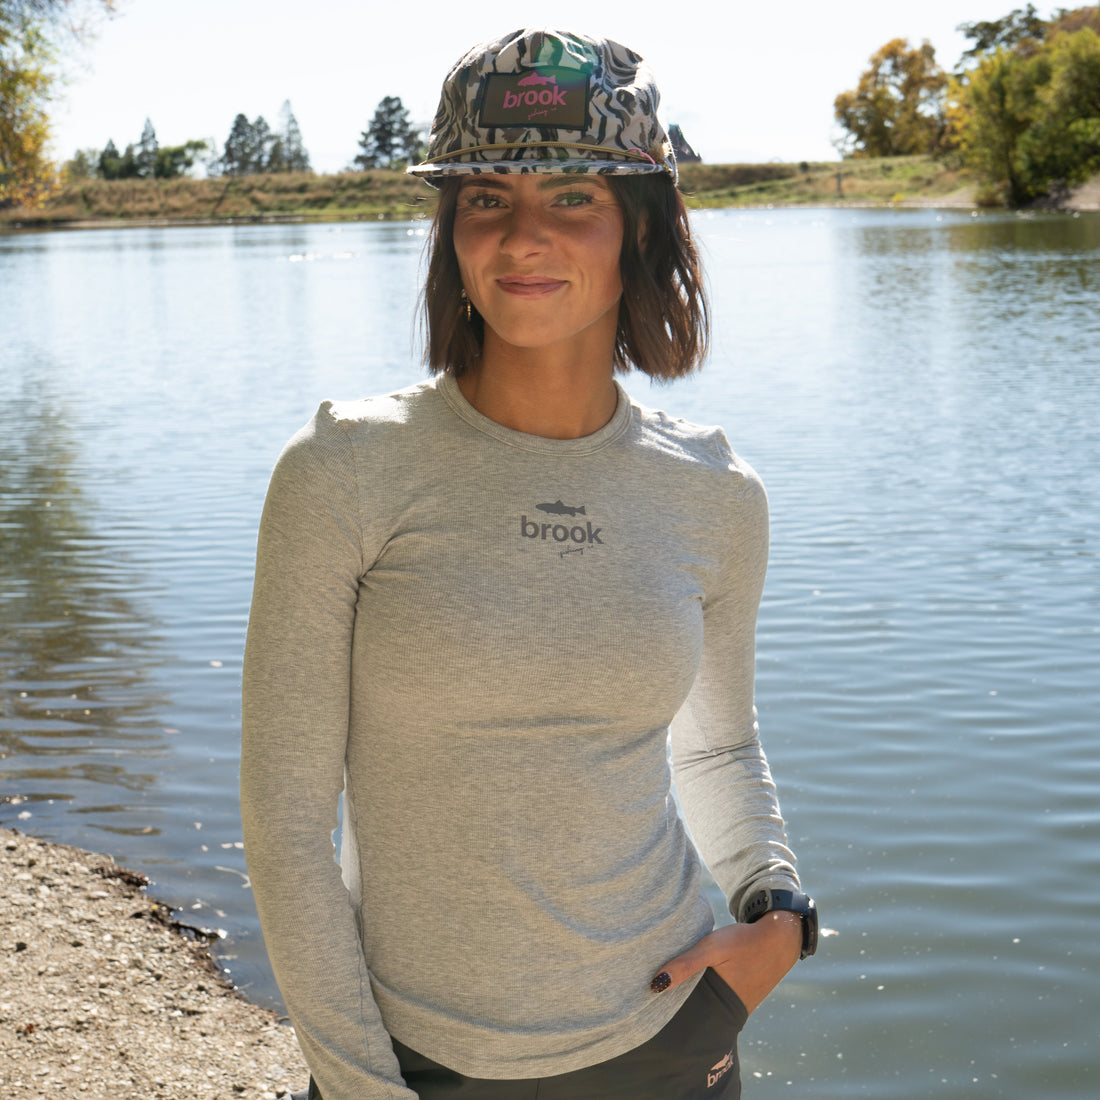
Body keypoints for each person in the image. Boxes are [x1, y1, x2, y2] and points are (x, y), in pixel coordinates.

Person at [241, 27, 818, 1100]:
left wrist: (776, 911)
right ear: (451, 233)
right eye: (485, 199)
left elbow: (717, 746)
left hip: (670, 1039)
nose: (521, 238)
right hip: (420, 1060)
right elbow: (283, 828)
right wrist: (362, 1083)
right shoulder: (341, 471)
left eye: (571, 198)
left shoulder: (714, 493)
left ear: (639, 227)